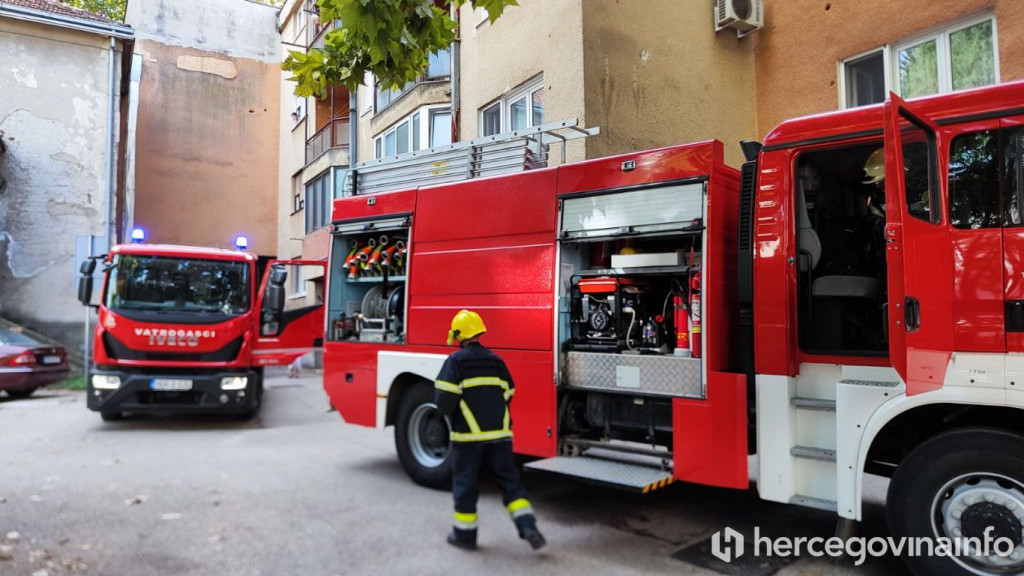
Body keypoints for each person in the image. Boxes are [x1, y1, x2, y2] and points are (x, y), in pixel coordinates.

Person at [434, 309, 546, 551]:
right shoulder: (496, 361)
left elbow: (443, 400)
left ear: (458, 335)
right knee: (510, 482)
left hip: (468, 437)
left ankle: (464, 536)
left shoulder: (455, 361)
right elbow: (509, 392)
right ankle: (528, 526)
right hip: (500, 436)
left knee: (465, 484)